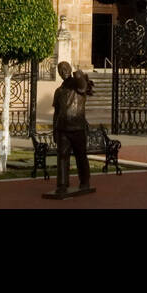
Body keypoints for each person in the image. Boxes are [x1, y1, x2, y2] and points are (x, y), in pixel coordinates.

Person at [50, 62, 91, 196]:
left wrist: (77, 73)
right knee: (62, 157)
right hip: (62, 128)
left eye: (65, 69)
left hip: (78, 128)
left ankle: (84, 181)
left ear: (70, 69)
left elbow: (82, 84)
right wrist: (55, 130)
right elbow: (56, 112)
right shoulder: (59, 91)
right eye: (60, 70)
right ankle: (62, 184)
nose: (63, 72)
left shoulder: (78, 87)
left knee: (81, 156)